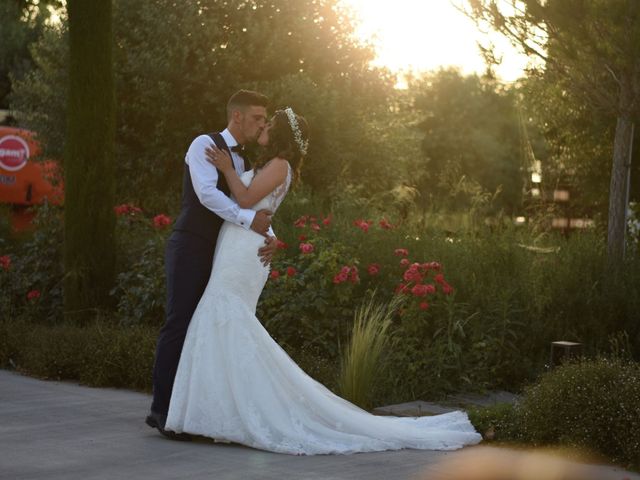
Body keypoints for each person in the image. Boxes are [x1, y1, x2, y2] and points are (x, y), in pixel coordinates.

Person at [164, 107, 482, 455]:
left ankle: (230, 412)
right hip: (239, 243)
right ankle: (218, 412)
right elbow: (256, 209)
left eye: (269, 124)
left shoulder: (280, 165)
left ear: (283, 134)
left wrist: (226, 169)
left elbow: (244, 199)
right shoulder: (274, 164)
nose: (264, 127)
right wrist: (268, 229)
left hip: (242, 251)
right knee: (223, 321)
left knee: (227, 318)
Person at [146, 90, 278, 440]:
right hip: (190, 244)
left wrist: (270, 235)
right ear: (237, 116)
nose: (262, 124)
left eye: (265, 120)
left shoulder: (244, 162)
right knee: (179, 322)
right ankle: (161, 410)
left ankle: (194, 412)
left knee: (205, 328)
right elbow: (206, 194)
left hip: (223, 253)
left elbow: (254, 204)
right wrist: (249, 221)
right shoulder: (203, 143)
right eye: (257, 118)